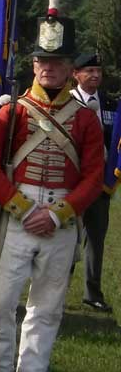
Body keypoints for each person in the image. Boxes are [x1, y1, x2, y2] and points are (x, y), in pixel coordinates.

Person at [0, 0, 103, 372]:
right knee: (3, 298)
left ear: (70, 69)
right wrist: (24, 208)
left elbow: (94, 175)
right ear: (33, 65)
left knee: (46, 304)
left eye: (58, 62)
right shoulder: (12, 112)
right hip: (20, 210)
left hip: (61, 216)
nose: (49, 68)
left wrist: (60, 213)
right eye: (42, 61)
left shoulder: (84, 118)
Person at [70, 52, 117, 313]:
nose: (95, 75)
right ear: (76, 74)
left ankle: (92, 292)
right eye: (89, 71)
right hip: (75, 182)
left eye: (98, 71)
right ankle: (59, 287)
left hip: (100, 183)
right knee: (68, 238)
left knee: (96, 239)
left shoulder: (110, 104)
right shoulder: (68, 102)